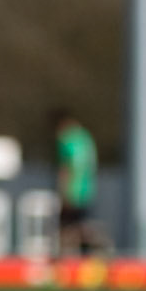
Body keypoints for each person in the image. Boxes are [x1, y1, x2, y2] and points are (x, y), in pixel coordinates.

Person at [52, 109, 99, 255]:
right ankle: (89, 255)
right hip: (86, 189)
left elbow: (66, 168)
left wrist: (63, 191)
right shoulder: (85, 137)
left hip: (72, 190)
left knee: (66, 226)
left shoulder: (66, 139)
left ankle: (61, 259)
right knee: (81, 223)